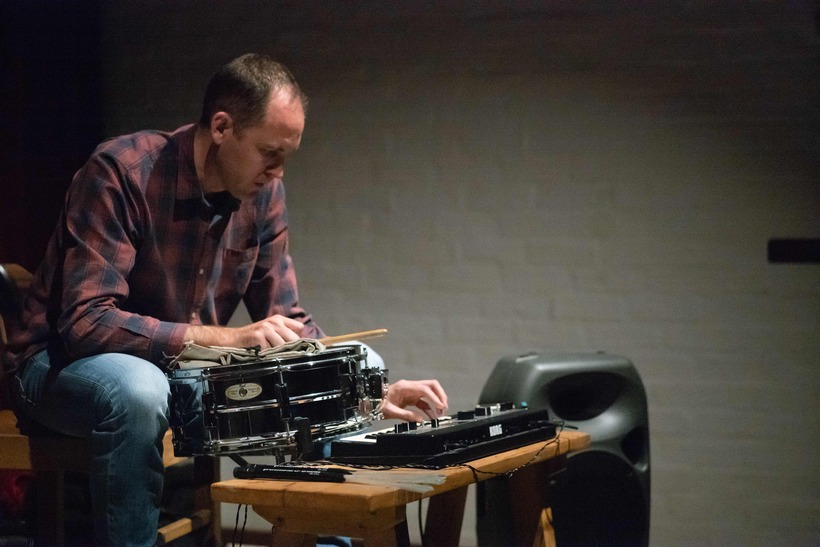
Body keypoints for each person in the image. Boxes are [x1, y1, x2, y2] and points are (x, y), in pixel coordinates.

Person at [4, 53, 448, 546]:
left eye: (286, 156)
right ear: (221, 128)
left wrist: (370, 390)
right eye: (269, 152)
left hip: (180, 373)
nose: (278, 172)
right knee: (139, 389)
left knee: (362, 360)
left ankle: (329, 542)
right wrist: (229, 338)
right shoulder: (122, 172)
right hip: (58, 366)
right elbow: (86, 322)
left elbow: (288, 319)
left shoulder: (263, 194)